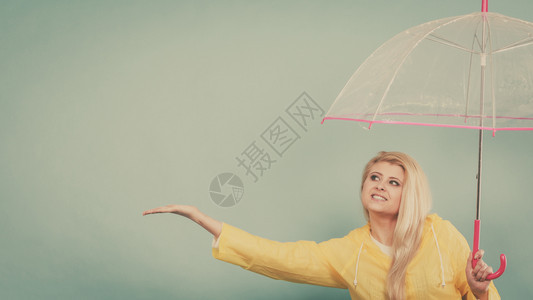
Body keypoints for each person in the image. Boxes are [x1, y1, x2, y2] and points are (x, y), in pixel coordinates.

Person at [143, 151, 500, 299]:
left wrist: (479, 291)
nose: (380, 185)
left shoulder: (441, 235)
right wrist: (203, 219)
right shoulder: (349, 251)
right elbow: (279, 258)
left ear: (412, 194)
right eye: (374, 177)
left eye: (394, 182)